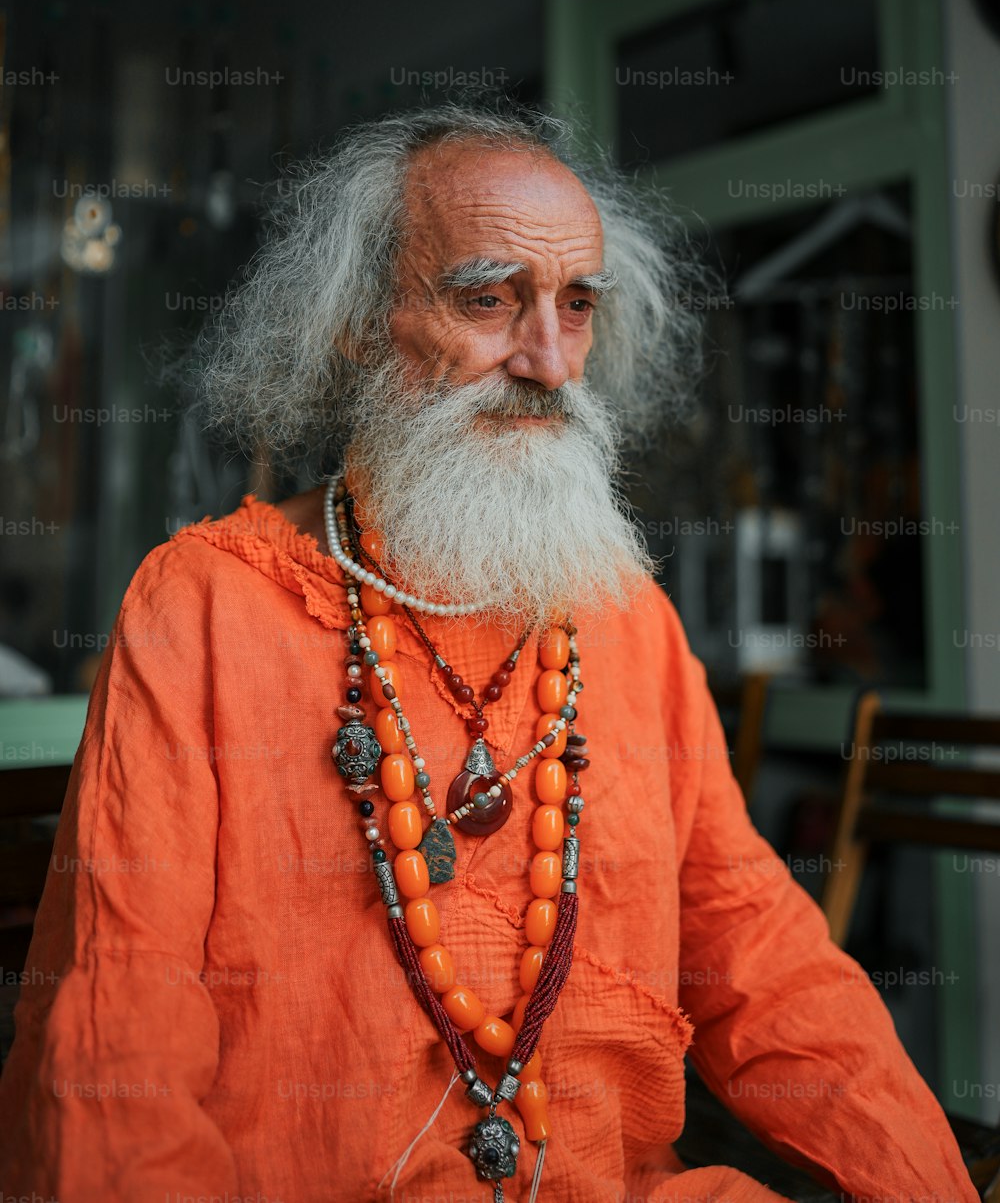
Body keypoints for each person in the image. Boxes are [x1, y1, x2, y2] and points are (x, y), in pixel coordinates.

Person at [0, 102, 978, 1203]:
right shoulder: (203, 605)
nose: (551, 362)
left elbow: (760, 950)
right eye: (487, 300)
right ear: (355, 323)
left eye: (576, 306)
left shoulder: (627, 617)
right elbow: (117, 1031)